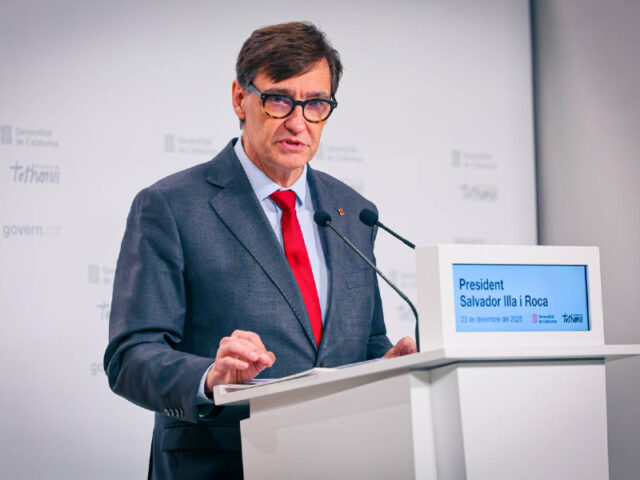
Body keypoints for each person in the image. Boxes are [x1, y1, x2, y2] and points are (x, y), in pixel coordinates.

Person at [104, 21, 417, 479]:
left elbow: (365, 340)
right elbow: (130, 356)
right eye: (279, 100)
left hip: (344, 461)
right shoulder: (171, 206)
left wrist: (387, 368)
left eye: (316, 104)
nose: (298, 122)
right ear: (240, 98)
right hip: (220, 464)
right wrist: (209, 377)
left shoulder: (353, 211)